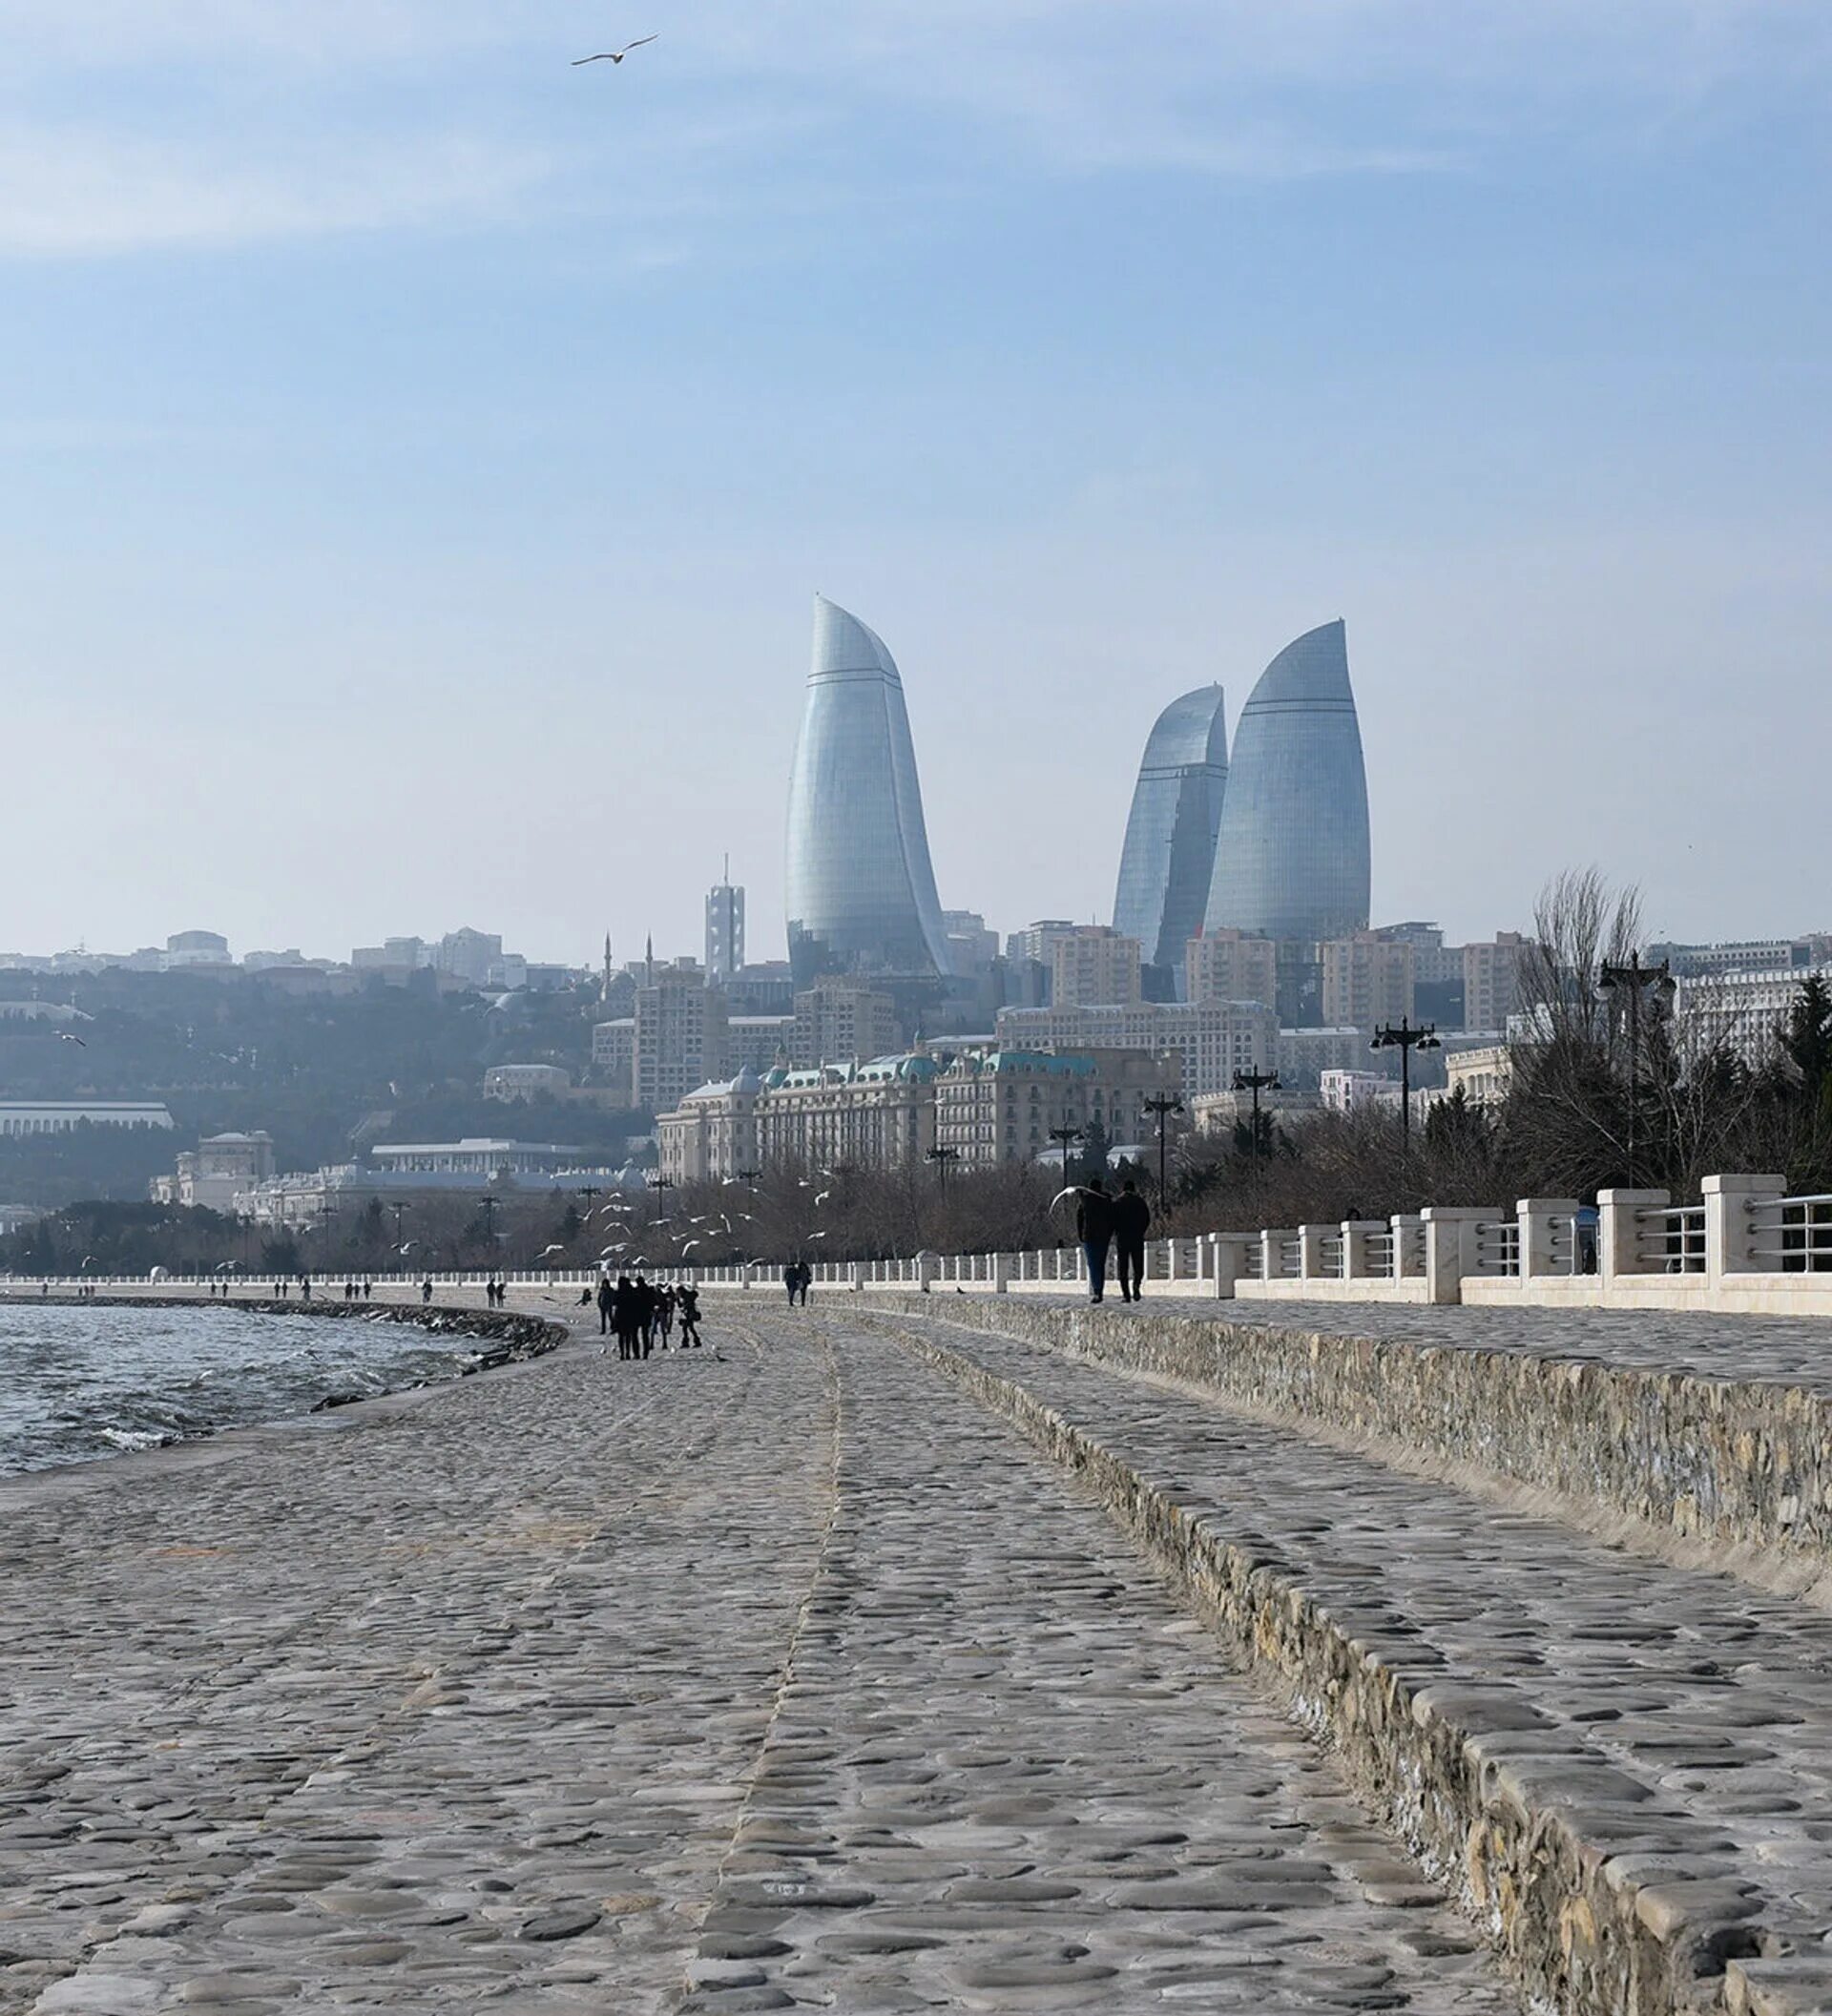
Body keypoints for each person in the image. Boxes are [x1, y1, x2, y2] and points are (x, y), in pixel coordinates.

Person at [1075, 1181, 1115, 1305]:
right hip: (1103, 1237)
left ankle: (1097, 1291)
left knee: (1093, 1265)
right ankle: (1099, 1290)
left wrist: (1080, 1235)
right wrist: (1110, 1233)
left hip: (1090, 1237)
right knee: (1100, 1263)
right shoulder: (1107, 1201)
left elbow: (1079, 1219)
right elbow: (1112, 1219)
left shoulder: (1085, 1201)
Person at [1113, 1178, 1152, 1303]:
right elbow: (1147, 1219)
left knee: (1123, 1267)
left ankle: (1126, 1294)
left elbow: (1112, 1220)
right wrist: (1141, 1231)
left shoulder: (1118, 1202)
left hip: (1122, 1238)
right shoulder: (1140, 1202)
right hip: (1137, 1237)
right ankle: (1136, 1285)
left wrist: (1116, 1232)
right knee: (1138, 1265)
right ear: (1134, 1189)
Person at [677, 1283, 702, 1348]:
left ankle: (687, 1342)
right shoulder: (685, 1297)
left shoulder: (687, 1296)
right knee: (690, 1328)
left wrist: (685, 1308)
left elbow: (688, 1305)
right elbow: (680, 1305)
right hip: (687, 1314)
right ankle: (696, 1341)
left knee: (686, 1328)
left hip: (689, 1314)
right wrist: (678, 1300)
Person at [595, 1274, 614, 1338]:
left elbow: (613, 1298)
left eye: (606, 1284)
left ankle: (613, 1329)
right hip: (602, 1306)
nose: (605, 1285)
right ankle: (603, 1330)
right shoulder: (601, 1290)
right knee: (603, 1319)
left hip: (609, 1305)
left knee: (610, 1318)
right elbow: (599, 1298)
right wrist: (599, 1304)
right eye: (604, 1284)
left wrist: (611, 1304)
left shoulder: (611, 1290)